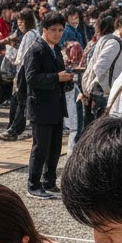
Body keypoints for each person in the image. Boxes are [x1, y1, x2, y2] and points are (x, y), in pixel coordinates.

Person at [23, 11, 71, 199]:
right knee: (41, 147)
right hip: (40, 106)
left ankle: (49, 181)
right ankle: (33, 185)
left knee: (55, 147)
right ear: (44, 29)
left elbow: (58, 75)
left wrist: (67, 79)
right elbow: (31, 78)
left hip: (56, 105)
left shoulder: (55, 49)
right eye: (54, 30)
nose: (57, 33)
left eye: (60, 30)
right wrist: (57, 77)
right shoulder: (36, 50)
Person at [0, 8, 38, 142]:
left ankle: (13, 130)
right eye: (18, 23)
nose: (19, 25)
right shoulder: (32, 33)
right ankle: (12, 128)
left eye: (21, 23)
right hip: (24, 71)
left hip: (24, 71)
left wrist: (10, 50)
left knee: (20, 101)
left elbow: (22, 56)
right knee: (17, 100)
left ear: (27, 22)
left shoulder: (30, 35)